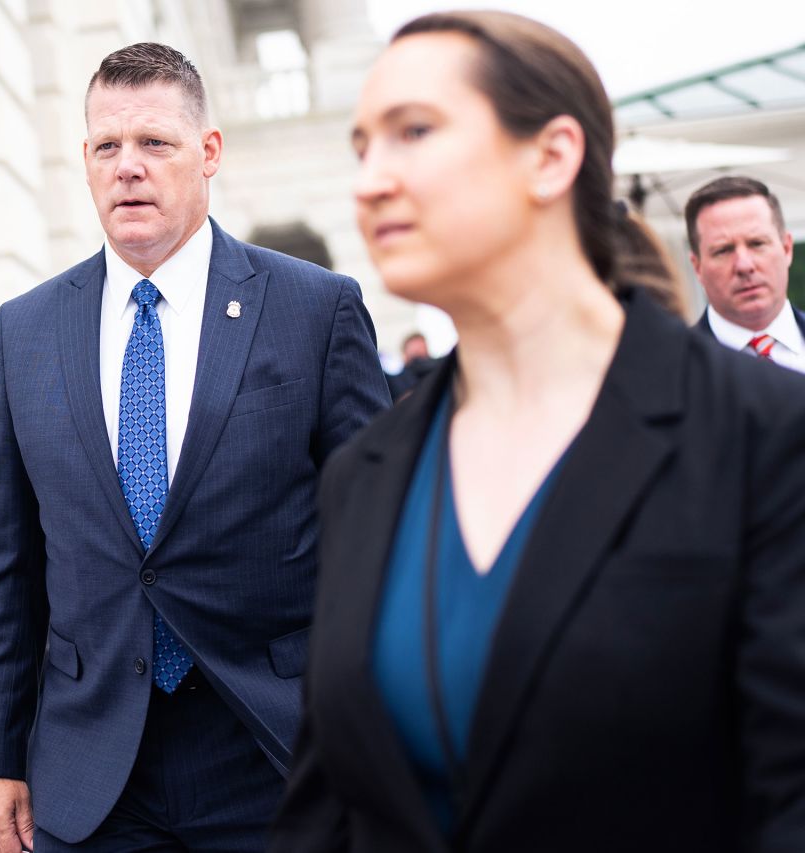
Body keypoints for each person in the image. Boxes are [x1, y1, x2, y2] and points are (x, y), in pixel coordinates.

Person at [273, 11, 805, 853]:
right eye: (360, 147)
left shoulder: (763, 433)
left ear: (552, 156)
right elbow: (328, 810)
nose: (370, 180)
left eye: (414, 131)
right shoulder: (365, 474)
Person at [0, 42, 390, 853]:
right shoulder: (27, 331)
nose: (129, 167)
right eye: (107, 147)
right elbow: (5, 561)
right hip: (89, 769)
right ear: (85, 161)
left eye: (155, 142)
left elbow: (378, 538)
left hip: (276, 749)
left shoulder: (313, 309)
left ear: (208, 153)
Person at [687, 176, 803, 372]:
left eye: (757, 243)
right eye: (723, 250)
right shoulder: (669, 371)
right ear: (697, 267)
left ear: (786, 249)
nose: (744, 266)